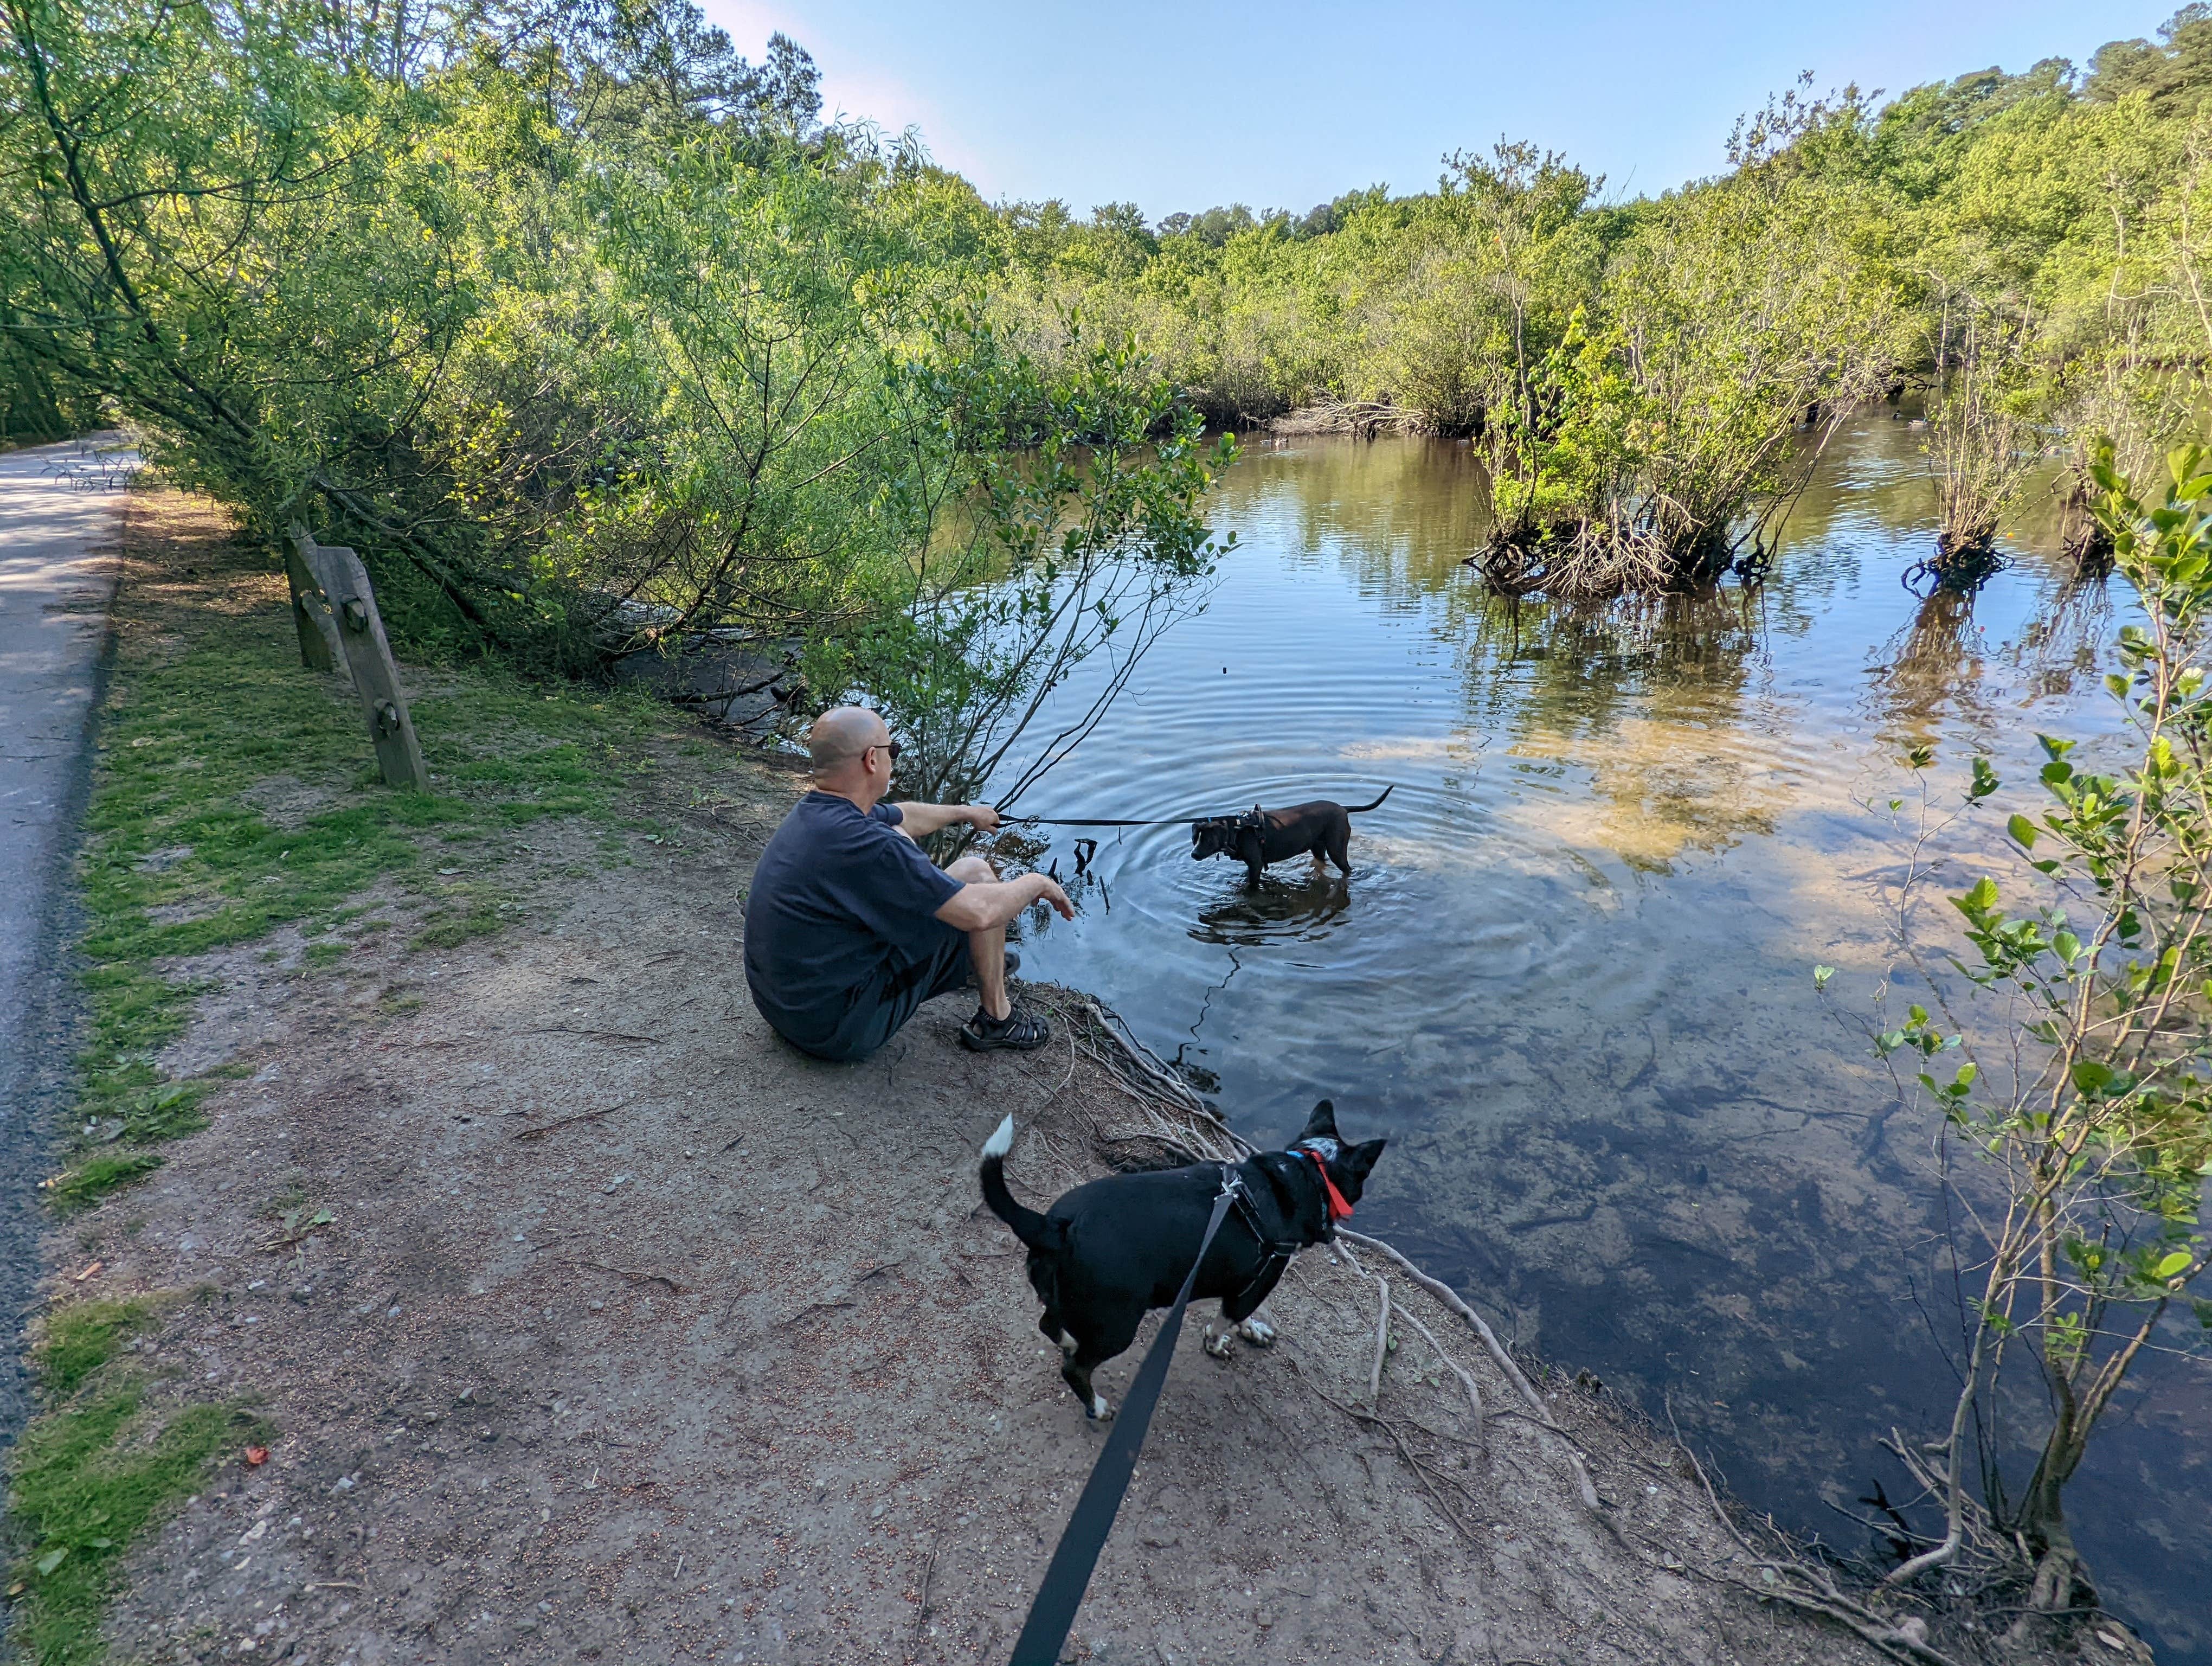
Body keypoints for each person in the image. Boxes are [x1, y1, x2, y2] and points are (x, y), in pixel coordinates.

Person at [743, 707, 1074, 1061]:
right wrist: (1037, 882)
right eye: (893, 751)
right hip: (836, 1029)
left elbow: (905, 815)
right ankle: (998, 1019)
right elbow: (980, 912)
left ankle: (970, 961)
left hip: (786, 1007)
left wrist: (967, 812)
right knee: (978, 895)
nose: (894, 759)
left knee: (946, 858)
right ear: (872, 759)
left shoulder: (820, 813)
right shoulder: (869, 846)